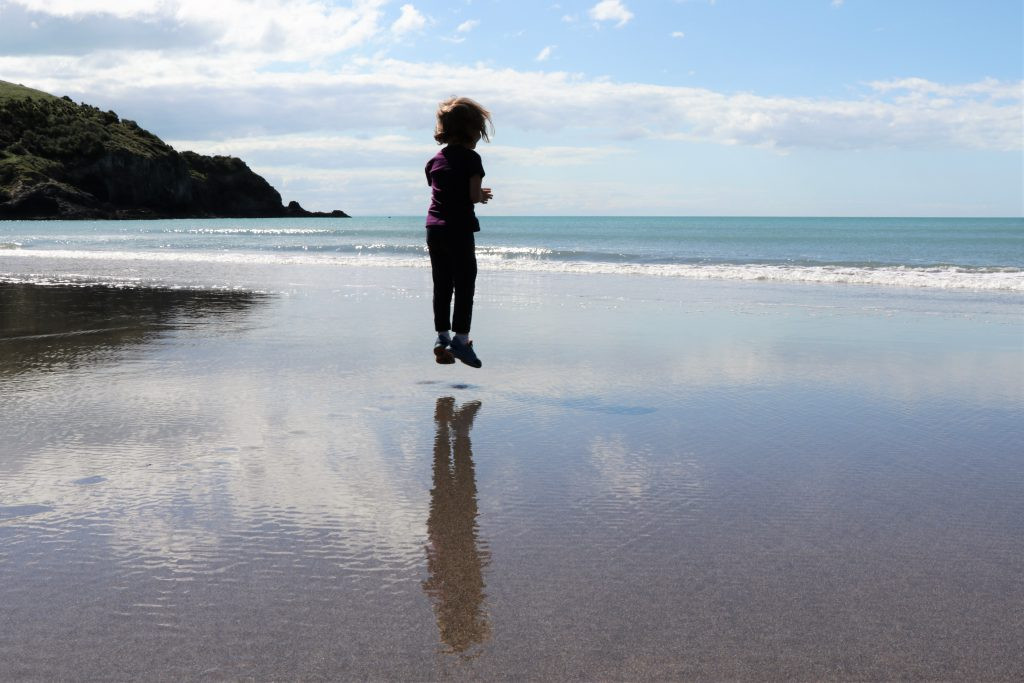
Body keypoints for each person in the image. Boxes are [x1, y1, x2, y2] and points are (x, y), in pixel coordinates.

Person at [425, 96, 493, 368]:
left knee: (442, 285)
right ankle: (461, 341)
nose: (479, 135)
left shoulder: (434, 161)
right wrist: (481, 196)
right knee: (465, 284)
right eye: (478, 130)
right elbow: (472, 195)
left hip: (434, 229)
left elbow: (442, 189)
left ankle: (441, 338)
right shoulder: (472, 159)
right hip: (459, 229)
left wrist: (470, 194)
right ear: (469, 130)